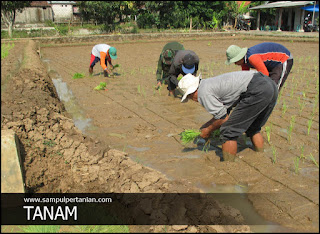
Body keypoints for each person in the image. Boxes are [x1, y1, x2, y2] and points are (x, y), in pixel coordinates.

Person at [178, 71, 278, 162]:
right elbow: (225, 111)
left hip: (257, 90)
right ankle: (260, 156)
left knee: (228, 132)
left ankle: (229, 166)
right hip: (270, 84)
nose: (193, 100)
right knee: (253, 128)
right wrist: (207, 125)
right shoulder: (209, 84)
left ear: (192, 91)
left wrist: (207, 130)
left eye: (189, 97)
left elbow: (223, 118)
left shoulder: (202, 93)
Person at [225, 42, 293, 90]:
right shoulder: (244, 62)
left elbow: (264, 75)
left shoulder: (252, 58)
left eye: (235, 61)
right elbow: (244, 77)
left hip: (283, 58)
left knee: (273, 88)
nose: (235, 64)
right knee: (265, 88)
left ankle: (268, 108)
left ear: (240, 58)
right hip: (270, 63)